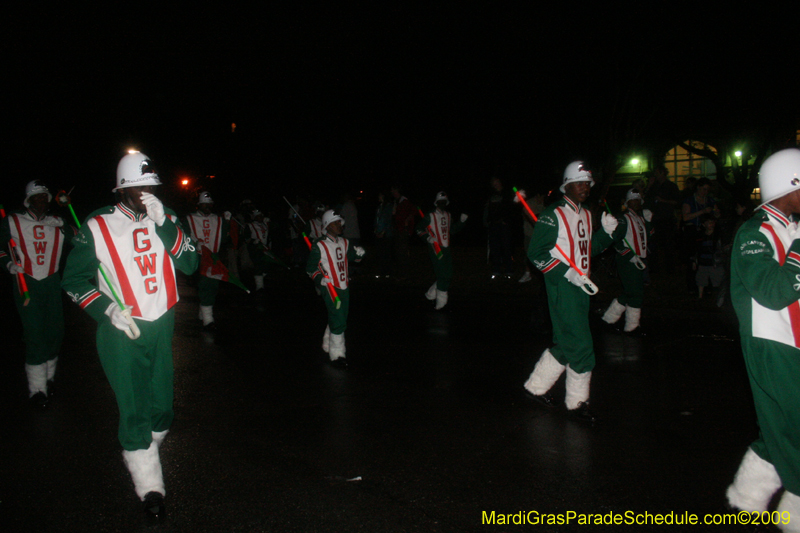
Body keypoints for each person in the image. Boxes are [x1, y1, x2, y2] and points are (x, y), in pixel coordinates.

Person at [61, 152, 198, 523]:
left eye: (151, 186)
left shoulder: (165, 218)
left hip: (161, 323)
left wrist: (165, 224)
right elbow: (73, 281)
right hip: (122, 329)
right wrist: (106, 309)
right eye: (138, 187)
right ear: (121, 190)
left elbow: (190, 263)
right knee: (135, 408)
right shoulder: (97, 225)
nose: (146, 193)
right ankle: (150, 486)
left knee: (162, 406)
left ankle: (143, 450)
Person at [725, 148, 800, 530]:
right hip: (771, 344)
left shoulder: (792, 227)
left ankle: (746, 498)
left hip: (793, 341)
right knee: (794, 426)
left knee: (781, 428)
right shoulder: (753, 233)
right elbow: (773, 292)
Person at [522, 161, 619, 422]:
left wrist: (607, 234)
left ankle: (535, 387)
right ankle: (576, 403)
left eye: (588, 183)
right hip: (562, 289)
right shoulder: (552, 215)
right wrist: (566, 272)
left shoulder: (587, 214)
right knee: (581, 346)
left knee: (566, 344)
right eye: (579, 182)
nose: (585, 187)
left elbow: (589, 249)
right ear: (567, 185)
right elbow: (536, 254)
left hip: (581, 289)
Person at [0, 180, 70, 407]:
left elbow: (82, 239)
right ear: (28, 200)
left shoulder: (58, 223)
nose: (42, 200)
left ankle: (48, 379)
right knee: (35, 335)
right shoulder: (12, 220)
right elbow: (1, 248)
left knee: (55, 332)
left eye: (45, 196)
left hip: (52, 282)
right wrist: (9, 264)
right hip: (26, 283)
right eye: (37, 196)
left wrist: (66, 215)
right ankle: (37, 390)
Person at [306, 210, 365, 368]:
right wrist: (321, 280)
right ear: (327, 225)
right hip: (330, 287)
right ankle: (337, 354)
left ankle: (327, 343)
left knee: (340, 316)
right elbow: (311, 268)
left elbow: (353, 257)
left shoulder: (344, 242)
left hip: (344, 285)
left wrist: (359, 254)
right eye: (335, 222)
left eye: (340, 222)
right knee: (338, 319)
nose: (339, 225)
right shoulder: (319, 244)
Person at [601, 188, 653, 334]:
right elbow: (616, 240)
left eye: (638, 200)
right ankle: (632, 326)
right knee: (636, 293)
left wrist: (648, 222)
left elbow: (647, 238)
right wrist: (629, 255)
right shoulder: (623, 218)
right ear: (628, 202)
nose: (636, 202)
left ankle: (608, 319)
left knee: (630, 292)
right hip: (627, 261)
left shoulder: (641, 217)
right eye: (633, 200)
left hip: (640, 259)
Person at [185, 191, 230, 329]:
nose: (207, 207)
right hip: (198, 256)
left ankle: (205, 316)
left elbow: (224, 239)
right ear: (199, 205)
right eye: (205, 204)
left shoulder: (218, 219)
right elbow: (185, 236)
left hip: (213, 256)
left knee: (211, 285)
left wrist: (227, 223)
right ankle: (206, 317)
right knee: (205, 285)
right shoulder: (190, 218)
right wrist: (194, 243)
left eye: (209, 204)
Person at [416, 191, 467, 310]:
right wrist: (427, 237)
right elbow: (419, 228)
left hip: (446, 248)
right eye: (440, 202)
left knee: (448, 273)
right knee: (442, 274)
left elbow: (452, 230)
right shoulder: (430, 215)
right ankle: (441, 301)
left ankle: (430, 294)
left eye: (444, 202)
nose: (442, 204)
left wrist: (461, 222)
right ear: (436, 203)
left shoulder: (448, 215)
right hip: (435, 248)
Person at [644, 166, 680, 274]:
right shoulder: (654, 186)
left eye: (657, 172)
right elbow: (645, 197)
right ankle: (655, 268)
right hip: (655, 218)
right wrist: (649, 185)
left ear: (663, 173)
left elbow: (677, 202)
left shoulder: (671, 186)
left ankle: (670, 268)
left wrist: (663, 200)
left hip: (667, 218)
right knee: (654, 244)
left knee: (668, 244)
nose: (655, 175)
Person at [483, 177, 515, 279]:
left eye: (496, 182)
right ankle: (496, 270)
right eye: (493, 183)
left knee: (506, 247)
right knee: (494, 248)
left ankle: (509, 270)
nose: (495, 184)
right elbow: (487, 209)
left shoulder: (507, 193)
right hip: (493, 225)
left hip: (504, 225)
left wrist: (506, 221)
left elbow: (511, 208)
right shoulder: (491, 195)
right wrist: (486, 221)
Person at [391, 184, 415, 281]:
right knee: (398, 252)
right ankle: (401, 273)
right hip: (398, 230)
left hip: (403, 231)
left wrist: (407, 223)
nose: (392, 192)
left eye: (393, 190)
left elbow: (413, 212)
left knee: (403, 253)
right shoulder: (397, 202)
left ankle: (404, 274)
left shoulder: (405, 202)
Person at [373, 191, 394, 278]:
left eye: (380, 195)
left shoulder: (388, 206)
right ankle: (381, 272)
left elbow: (388, 220)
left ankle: (387, 273)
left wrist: (383, 232)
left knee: (386, 253)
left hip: (386, 234)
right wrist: (375, 230)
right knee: (380, 253)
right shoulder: (379, 207)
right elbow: (377, 219)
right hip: (379, 232)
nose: (378, 196)